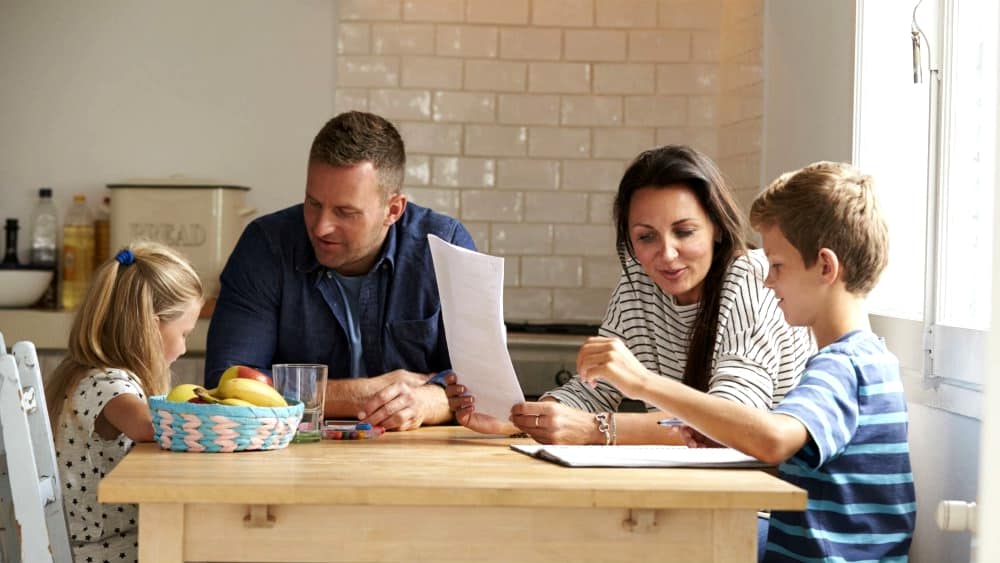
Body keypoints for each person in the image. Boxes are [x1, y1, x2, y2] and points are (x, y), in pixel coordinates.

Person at [576, 161, 916, 561]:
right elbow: (811, 470)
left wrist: (644, 384)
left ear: (825, 266)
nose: (768, 280)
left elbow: (773, 439)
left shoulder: (845, 367)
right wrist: (725, 436)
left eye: (776, 265)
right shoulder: (868, 359)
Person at [447, 145, 814, 444]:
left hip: (769, 498)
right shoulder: (638, 283)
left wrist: (594, 430)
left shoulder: (751, 278)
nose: (666, 254)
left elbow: (730, 423)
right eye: (646, 236)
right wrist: (518, 419)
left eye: (684, 231)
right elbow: (593, 393)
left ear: (717, 227)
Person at [205, 111, 476, 430]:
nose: (321, 227)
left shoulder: (446, 246)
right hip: (291, 458)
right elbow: (225, 386)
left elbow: (482, 384)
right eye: (313, 203)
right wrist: (356, 395)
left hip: (417, 461)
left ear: (393, 210)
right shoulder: (264, 247)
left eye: (345, 212)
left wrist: (432, 400)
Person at [46, 242, 203, 563]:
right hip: (108, 552)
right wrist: (218, 415)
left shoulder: (83, 371)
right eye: (184, 333)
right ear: (152, 325)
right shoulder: (104, 381)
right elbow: (148, 426)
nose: (185, 348)